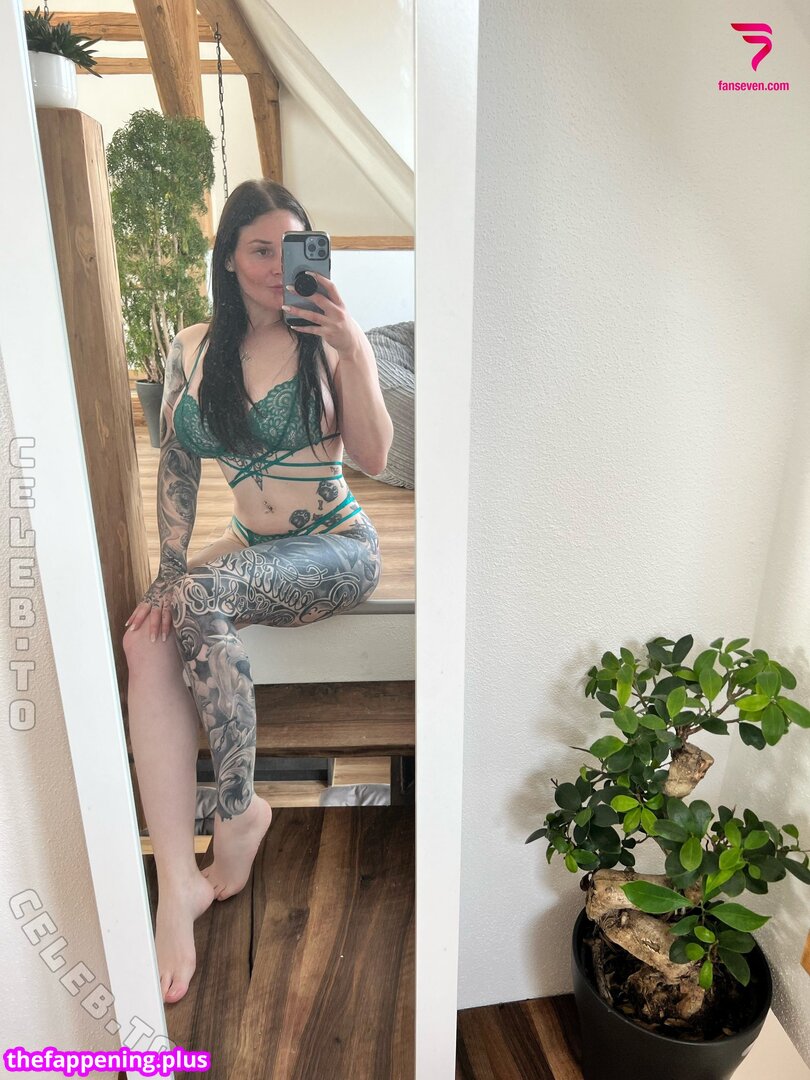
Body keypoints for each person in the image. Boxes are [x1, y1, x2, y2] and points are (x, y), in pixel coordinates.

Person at [123, 179, 394, 1005]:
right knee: (145, 637)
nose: (279, 267)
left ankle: (238, 810)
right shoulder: (195, 346)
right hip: (247, 542)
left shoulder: (327, 340)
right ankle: (178, 882)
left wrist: (352, 347)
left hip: (336, 544)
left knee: (199, 601)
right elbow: (177, 460)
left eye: (293, 247)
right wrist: (170, 564)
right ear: (231, 260)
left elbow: (376, 456)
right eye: (260, 250)